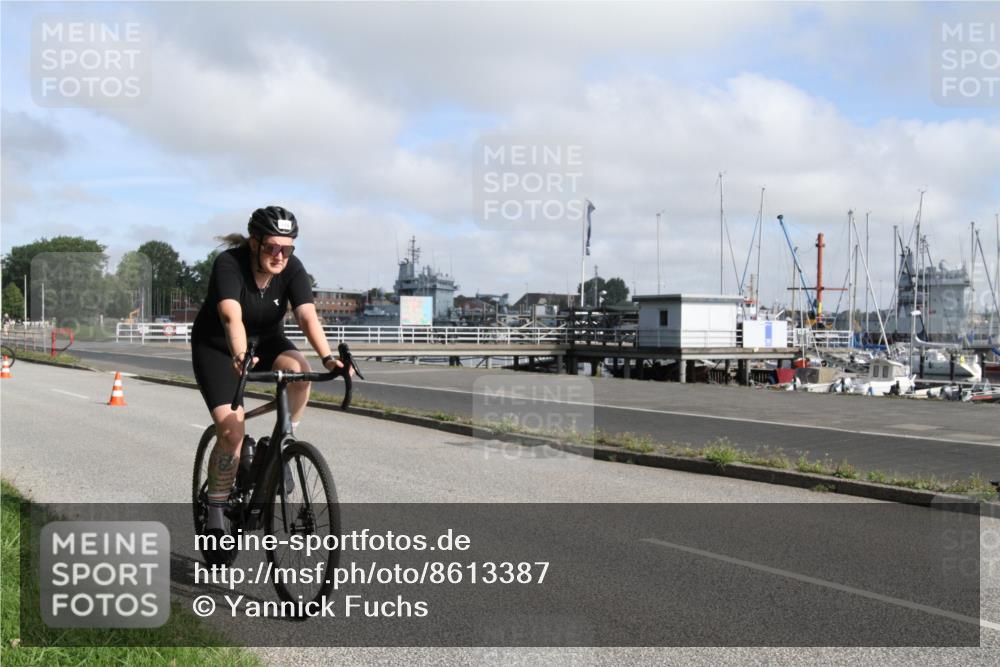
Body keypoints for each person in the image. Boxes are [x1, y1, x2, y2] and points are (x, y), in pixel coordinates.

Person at [191, 205, 347, 534]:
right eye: (272, 247)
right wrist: (240, 354)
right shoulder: (229, 264)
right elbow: (231, 316)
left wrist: (329, 358)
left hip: (267, 340)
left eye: (287, 248)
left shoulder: (292, 269)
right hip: (219, 346)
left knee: (301, 375)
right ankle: (217, 506)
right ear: (254, 243)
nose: (279, 255)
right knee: (231, 433)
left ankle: (280, 448)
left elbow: (307, 317)